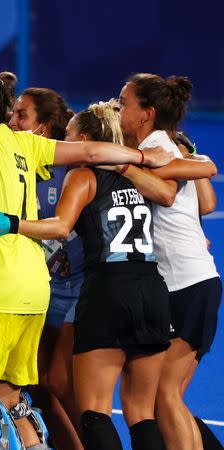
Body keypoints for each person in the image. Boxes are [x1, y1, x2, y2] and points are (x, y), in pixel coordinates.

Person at [0, 16, 174, 448]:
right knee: (14, 398)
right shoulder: (27, 143)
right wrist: (142, 156)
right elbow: (91, 149)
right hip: (33, 292)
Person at [0, 98, 176, 450]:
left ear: (84, 141)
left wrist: (11, 224)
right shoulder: (143, 179)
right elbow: (169, 193)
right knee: (142, 413)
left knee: (95, 413)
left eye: (70, 137)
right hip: (152, 290)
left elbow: (60, 227)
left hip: (107, 291)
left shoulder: (83, 175)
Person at [114, 74, 221, 450]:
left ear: (147, 113)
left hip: (184, 283)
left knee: (163, 396)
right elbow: (207, 204)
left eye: (124, 102)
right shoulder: (169, 145)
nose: (117, 107)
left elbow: (171, 192)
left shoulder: (157, 145)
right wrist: (197, 161)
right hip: (197, 280)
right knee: (167, 396)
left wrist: (141, 165)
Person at [8, 87, 83, 449]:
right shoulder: (14, 161)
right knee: (35, 384)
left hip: (79, 289)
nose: (13, 121)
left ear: (45, 127)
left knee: (60, 382)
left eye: (22, 115)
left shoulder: (76, 168)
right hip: (41, 289)